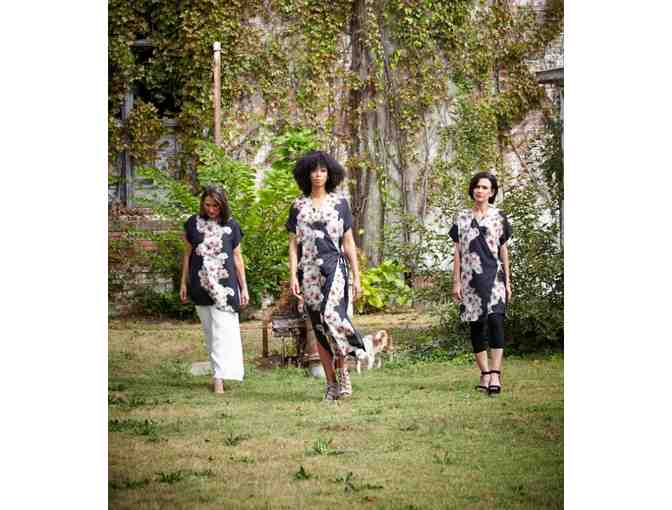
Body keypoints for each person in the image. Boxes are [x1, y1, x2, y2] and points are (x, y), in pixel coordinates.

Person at [286, 150, 372, 401]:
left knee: (332, 315)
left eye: (322, 170)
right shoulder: (298, 207)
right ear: (305, 174)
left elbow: (348, 242)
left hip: (335, 269)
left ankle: (348, 363)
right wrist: (293, 276)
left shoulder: (340, 204)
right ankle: (331, 384)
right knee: (319, 328)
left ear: (329, 173)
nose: (318, 175)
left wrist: (357, 277)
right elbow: (293, 245)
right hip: (309, 272)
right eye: (313, 170)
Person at [180, 186, 249, 394]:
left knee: (223, 332)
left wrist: (244, 287)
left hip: (225, 288)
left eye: (216, 206)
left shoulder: (231, 225)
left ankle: (219, 378)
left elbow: (237, 258)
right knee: (210, 333)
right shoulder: (192, 224)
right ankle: (217, 373)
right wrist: (183, 283)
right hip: (200, 284)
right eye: (208, 205)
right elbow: (187, 255)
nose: (211, 209)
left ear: (223, 205)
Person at [449, 172, 512, 395]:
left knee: (496, 322)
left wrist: (508, 281)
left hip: (495, 278)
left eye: (485, 187)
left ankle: (496, 373)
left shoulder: (499, 217)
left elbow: (503, 250)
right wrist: (456, 281)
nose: (480, 190)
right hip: (470, 280)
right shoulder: (462, 218)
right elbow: (457, 252)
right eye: (477, 186)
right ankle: (484, 373)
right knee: (476, 325)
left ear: (492, 192)